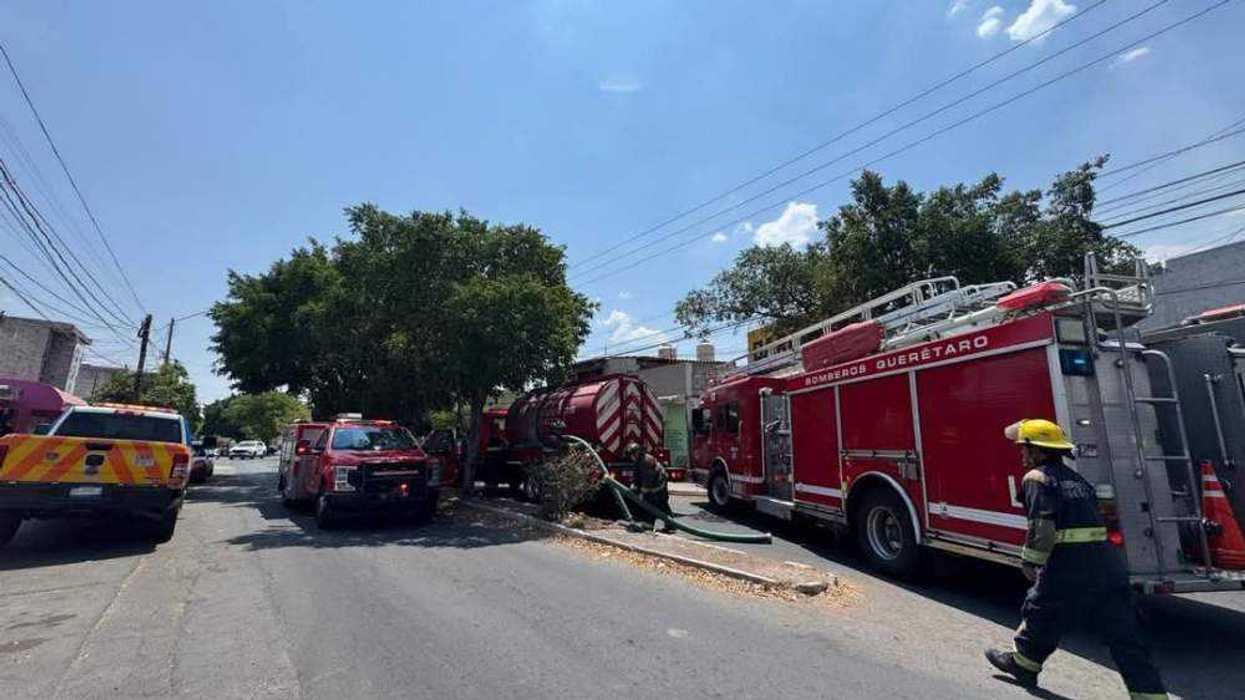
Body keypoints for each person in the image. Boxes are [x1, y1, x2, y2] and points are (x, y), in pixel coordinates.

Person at [985, 419, 1167, 699]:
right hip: (1107, 565)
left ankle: (1023, 664)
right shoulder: (1077, 479)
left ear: (1037, 450)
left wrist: (1030, 561)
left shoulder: (1037, 478)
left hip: (1068, 565)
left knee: (1041, 610)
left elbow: (1042, 526)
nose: (1021, 454)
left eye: (1023, 448)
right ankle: (1150, 695)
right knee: (1123, 633)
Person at [624, 442, 671, 526]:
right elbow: (637, 475)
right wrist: (634, 485)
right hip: (652, 484)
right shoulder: (638, 461)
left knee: (657, 503)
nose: (631, 457)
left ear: (637, 453)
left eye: (631, 455)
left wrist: (642, 492)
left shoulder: (646, 461)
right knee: (652, 503)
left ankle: (667, 524)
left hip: (658, 485)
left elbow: (648, 478)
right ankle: (651, 523)